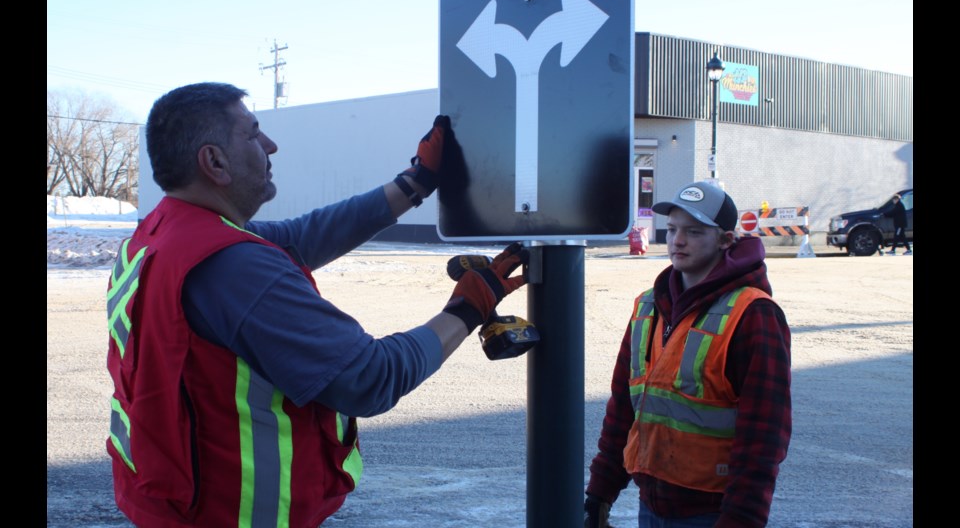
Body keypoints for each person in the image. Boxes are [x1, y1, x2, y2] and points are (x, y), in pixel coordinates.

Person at [105, 82, 528, 527]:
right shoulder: (234, 268)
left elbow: (298, 237)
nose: (271, 145)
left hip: (170, 507)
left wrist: (414, 183)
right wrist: (467, 308)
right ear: (214, 162)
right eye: (252, 134)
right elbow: (371, 378)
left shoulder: (159, 236)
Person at [584, 181, 792, 528]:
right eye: (673, 229)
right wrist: (599, 493)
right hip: (651, 507)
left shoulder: (753, 314)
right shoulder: (647, 306)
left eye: (694, 232)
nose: (677, 241)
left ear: (726, 240)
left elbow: (763, 436)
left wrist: (741, 519)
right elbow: (624, 407)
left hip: (713, 514)